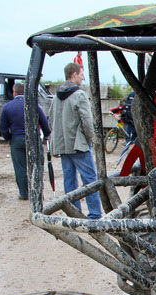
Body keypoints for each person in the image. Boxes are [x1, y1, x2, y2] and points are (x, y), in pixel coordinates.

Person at [48, 62, 102, 219]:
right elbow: (87, 121)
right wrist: (91, 140)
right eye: (81, 74)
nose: (83, 78)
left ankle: (75, 215)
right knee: (90, 180)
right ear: (74, 74)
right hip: (79, 145)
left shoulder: (56, 97)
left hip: (63, 146)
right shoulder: (79, 95)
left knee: (69, 181)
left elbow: (51, 120)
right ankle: (95, 215)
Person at [0, 82, 50, 200]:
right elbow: (44, 123)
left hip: (17, 139)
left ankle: (24, 193)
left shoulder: (7, 107)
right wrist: (46, 136)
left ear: (14, 92)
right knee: (37, 166)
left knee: (20, 168)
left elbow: (3, 128)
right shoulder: (34, 105)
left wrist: (9, 138)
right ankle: (38, 192)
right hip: (34, 139)